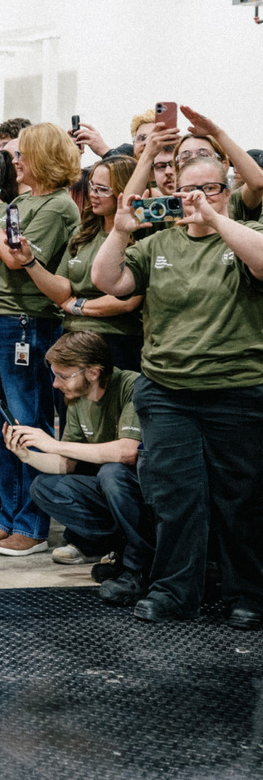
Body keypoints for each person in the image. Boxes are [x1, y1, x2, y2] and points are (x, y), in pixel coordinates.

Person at [92, 156, 263, 629]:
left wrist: (216, 220)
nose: (192, 199)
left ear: (225, 191)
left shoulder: (245, 234)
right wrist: (122, 230)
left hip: (237, 391)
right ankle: (173, 590)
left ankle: (248, 594)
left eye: (206, 189)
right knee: (173, 498)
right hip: (169, 392)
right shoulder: (159, 244)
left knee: (241, 498)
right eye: (184, 190)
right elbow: (108, 281)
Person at [0, 123, 81, 556]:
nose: (15, 161)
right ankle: (9, 517)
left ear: (44, 158)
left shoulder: (57, 206)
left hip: (27, 319)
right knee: (0, 426)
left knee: (27, 422)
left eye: (23, 154)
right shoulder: (24, 200)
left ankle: (31, 523)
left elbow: (15, 257)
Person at [12, 331, 149, 606]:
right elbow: (67, 464)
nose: (55, 383)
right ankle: (117, 549)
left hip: (146, 490)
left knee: (112, 473)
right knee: (44, 487)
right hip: (112, 490)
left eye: (63, 375)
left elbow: (127, 452)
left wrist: (52, 444)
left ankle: (142, 567)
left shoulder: (131, 386)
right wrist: (26, 455)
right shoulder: (76, 397)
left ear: (93, 372)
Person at [7, 155, 143, 373]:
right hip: (73, 337)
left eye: (103, 189)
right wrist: (30, 262)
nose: (93, 194)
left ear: (122, 192)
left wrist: (77, 306)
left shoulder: (139, 237)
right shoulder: (84, 233)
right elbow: (62, 290)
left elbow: (127, 301)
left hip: (117, 340)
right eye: (92, 186)